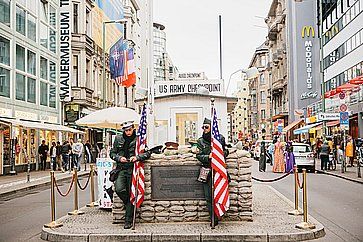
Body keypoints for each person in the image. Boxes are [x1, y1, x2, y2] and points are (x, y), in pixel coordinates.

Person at [110, 120, 151, 229]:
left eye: (129, 130)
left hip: (134, 169)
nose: (128, 132)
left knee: (133, 193)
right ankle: (129, 203)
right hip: (121, 168)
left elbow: (147, 153)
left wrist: (137, 157)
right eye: (126, 130)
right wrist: (119, 158)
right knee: (119, 189)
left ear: (133, 128)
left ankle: (128, 220)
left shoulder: (139, 138)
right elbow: (112, 153)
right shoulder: (118, 138)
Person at [196, 118, 229, 227]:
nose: (204, 129)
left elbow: (226, 151)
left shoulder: (220, 138)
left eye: (206, 127)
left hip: (218, 170)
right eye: (203, 127)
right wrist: (208, 156)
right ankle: (213, 218)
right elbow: (198, 155)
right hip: (206, 170)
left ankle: (219, 213)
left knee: (219, 194)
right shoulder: (200, 141)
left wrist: (218, 154)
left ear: (212, 128)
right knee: (208, 196)